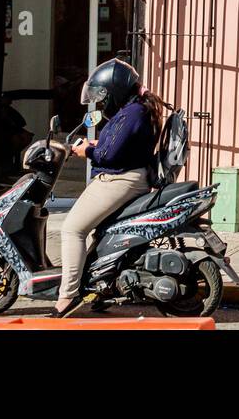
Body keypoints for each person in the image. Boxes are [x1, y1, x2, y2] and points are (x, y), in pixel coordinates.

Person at [53, 58, 162, 317]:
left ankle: (67, 296)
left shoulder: (132, 113)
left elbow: (108, 156)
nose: (102, 102)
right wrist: (97, 145)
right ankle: (105, 284)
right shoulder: (132, 110)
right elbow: (118, 144)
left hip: (121, 179)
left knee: (72, 229)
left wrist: (85, 151)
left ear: (116, 92)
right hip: (125, 175)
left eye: (104, 96)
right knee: (98, 232)